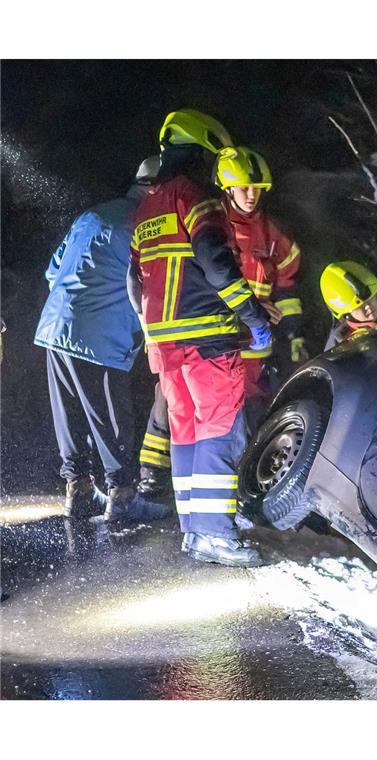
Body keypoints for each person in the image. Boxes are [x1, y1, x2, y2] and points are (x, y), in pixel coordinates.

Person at [128, 108, 272, 567]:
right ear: (201, 153)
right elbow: (217, 265)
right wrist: (252, 316)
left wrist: (153, 327)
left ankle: (195, 531)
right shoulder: (199, 199)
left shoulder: (147, 207)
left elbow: (134, 280)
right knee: (220, 432)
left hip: (164, 347)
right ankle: (216, 535)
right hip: (208, 341)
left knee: (186, 433)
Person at [33, 158, 168, 522]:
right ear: (155, 189)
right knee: (110, 417)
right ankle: (122, 495)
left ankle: (77, 490)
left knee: (70, 414)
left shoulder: (92, 215)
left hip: (56, 327)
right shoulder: (145, 225)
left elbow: (52, 270)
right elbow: (151, 286)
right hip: (100, 337)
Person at [215, 146, 306, 424]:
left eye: (257, 188)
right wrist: (253, 307)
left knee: (256, 419)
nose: (252, 195)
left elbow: (286, 286)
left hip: (259, 351)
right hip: (222, 346)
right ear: (228, 189)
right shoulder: (213, 227)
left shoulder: (270, 232)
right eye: (244, 188)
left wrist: (292, 335)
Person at [320, 260, 377, 349]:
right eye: (359, 306)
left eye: (370, 299)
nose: (368, 307)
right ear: (347, 314)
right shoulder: (341, 347)